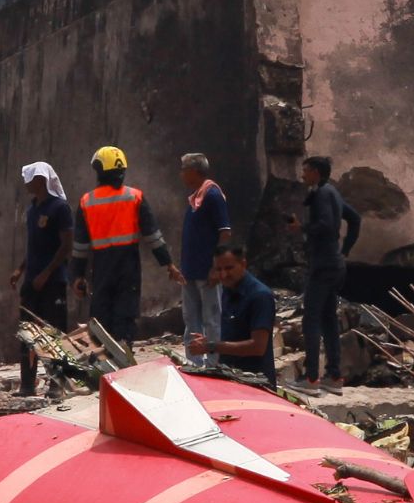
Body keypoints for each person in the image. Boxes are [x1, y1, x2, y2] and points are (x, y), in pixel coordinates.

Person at [71, 145, 182, 347]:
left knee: (101, 321)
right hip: (128, 267)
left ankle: (104, 367)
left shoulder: (87, 202)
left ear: (98, 171)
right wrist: (168, 264)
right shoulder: (135, 197)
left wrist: (77, 275)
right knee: (125, 316)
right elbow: (153, 236)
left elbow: (80, 246)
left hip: (102, 267)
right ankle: (124, 354)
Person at [285, 155, 360, 396]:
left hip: (323, 266)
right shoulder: (332, 193)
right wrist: (345, 249)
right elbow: (355, 219)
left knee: (311, 320)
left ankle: (311, 378)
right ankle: (334, 375)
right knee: (328, 319)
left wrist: (302, 228)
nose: (302, 175)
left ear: (316, 172)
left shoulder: (323, 195)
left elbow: (327, 226)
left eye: (305, 171)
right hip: (335, 265)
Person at [12, 161, 74, 396]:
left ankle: (56, 385)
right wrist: (20, 270)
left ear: (40, 180)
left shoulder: (59, 208)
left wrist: (46, 273)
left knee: (53, 333)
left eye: (30, 178)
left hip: (53, 280)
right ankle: (27, 384)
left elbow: (66, 245)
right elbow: (33, 247)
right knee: (27, 333)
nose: (26, 183)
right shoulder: (32, 210)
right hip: (32, 281)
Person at [188, 245, 276, 388]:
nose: (223, 275)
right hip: (231, 379)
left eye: (229, 268)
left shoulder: (260, 296)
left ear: (243, 264)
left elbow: (258, 347)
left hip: (256, 384)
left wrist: (212, 346)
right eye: (219, 269)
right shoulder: (228, 291)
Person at [178, 153, 231, 365]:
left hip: (207, 270)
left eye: (184, 168)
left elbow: (225, 233)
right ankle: (194, 361)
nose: (181, 173)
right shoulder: (196, 198)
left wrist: (216, 268)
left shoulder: (212, 195)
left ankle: (214, 362)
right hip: (190, 270)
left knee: (211, 318)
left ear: (194, 171)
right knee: (191, 319)